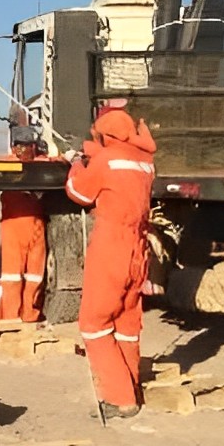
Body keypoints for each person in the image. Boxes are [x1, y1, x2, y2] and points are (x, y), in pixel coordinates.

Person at [64, 103, 157, 420]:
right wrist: (92, 154)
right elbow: (118, 167)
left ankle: (120, 398)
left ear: (105, 134)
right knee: (127, 323)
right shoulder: (145, 162)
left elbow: (80, 193)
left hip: (112, 245)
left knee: (94, 324)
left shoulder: (105, 161)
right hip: (138, 249)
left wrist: (76, 164)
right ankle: (132, 386)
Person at [0, 140, 50, 323]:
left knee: (34, 275)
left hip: (34, 225)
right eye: (20, 146)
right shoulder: (9, 164)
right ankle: (12, 317)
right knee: (13, 276)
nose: (23, 150)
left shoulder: (40, 164)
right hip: (17, 225)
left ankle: (28, 315)